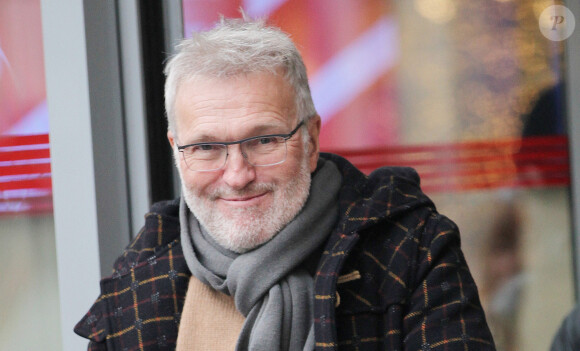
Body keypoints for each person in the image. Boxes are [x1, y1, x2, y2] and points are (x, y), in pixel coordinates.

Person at [74, 17, 496, 350]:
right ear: (176, 150)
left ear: (311, 140)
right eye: (206, 147)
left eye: (264, 140)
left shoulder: (410, 250)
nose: (237, 175)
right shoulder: (138, 282)